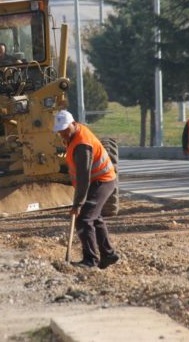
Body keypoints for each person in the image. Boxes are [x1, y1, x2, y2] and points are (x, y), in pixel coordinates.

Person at [54, 110, 120, 269]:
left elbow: (84, 177)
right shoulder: (74, 135)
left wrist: (77, 204)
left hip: (102, 181)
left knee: (83, 218)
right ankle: (108, 255)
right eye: (59, 131)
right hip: (97, 180)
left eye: (64, 130)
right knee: (94, 217)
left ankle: (90, 260)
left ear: (72, 124)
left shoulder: (82, 145)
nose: (62, 133)